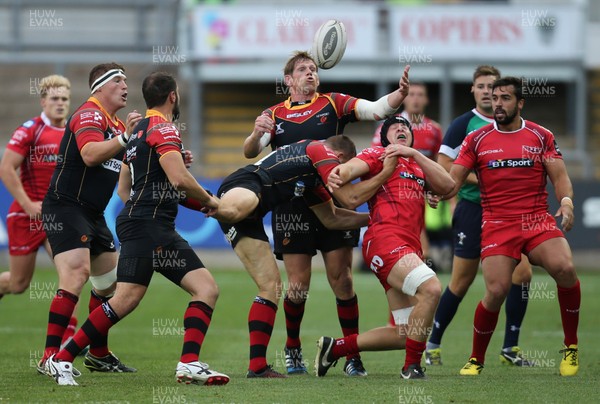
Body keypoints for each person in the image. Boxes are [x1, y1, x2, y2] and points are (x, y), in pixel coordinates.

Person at [44, 72, 229, 386]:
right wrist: (213, 202)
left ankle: (188, 363)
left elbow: (125, 189)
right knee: (129, 297)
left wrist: (170, 194)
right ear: (173, 96)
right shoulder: (163, 128)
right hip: (150, 227)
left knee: (144, 294)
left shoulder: (138, 130)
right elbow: (179, 181)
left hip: (140, 223)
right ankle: (61, 358)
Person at [243, 50, 410, 376]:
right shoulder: (273, 114)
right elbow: (251, 151)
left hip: (334, 199)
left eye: (313, 68)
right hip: (291, 205)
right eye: (302, 69)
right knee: (298, 285)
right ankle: (293, 347)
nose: (310, 73)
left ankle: (351, 354)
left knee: (343, 281)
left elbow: (376, 109)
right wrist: (254, 132)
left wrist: (400, 94)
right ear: (288, 79)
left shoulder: (333, 103)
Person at [213, 135, 392, 378]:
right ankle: (203, 200)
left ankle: (257, 367)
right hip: (246, 185)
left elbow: (333, 218)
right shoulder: (319, 149)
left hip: (253, 214)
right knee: (234, 211)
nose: (346, 176)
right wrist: (386, 174)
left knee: (271, 286)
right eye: (348, 170)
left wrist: (378, 220)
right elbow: (350, 198)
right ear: (338, 159)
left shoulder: (311, 181)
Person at [446, 76, 580, 376]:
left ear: (520, 103)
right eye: (494, 98)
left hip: (536, 218)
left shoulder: (540, 135)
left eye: (505, 98)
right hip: (497, 222)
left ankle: (570, 348)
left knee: (566, 268)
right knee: (496, 290)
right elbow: (453, 179)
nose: (498, 104)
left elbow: (559, 176)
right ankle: (476, 359)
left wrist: (567, 202)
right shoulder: (476, 138)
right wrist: (436, 191)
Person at [315, 116, 454, 380]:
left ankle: (335, 348)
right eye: (395, 127)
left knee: (405, 331)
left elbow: (448, 186)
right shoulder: (378, 154)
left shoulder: (418, 165)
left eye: (406, 128)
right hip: (385, 241)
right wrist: (337, 172)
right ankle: (411, 367)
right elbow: (345, 173)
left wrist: (414, 154)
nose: (402, 128)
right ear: (384, 138)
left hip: (409, 248)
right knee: (432, 288)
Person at [425, 66, 533, 367]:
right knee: (461, 281)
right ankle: (432, 343)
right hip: (473, 210)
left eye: (492, 87)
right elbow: (444, 165)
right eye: (481, 86)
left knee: (522, 274)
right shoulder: (464, 125)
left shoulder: (516, 126)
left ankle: (510, 346)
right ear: (473, 90)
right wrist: (485, 178)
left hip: (507, 211)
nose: (487, 92)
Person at [38, 62, 142, 375]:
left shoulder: (113, 121)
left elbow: (124, 165)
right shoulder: (90, 113)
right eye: (120, 81)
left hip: (93, 215)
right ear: (100, 86)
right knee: (75, 275)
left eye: (127, 81)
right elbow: (89, 154)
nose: (126, 86)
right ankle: (49, 358)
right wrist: (125, 138)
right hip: (66, 208)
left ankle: (98, 354)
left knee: (109, 286)